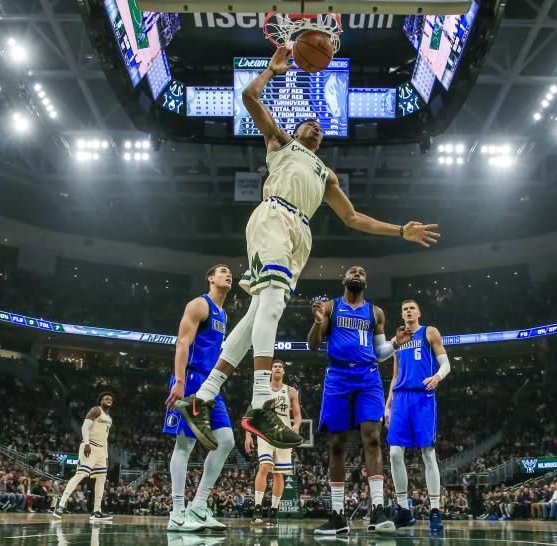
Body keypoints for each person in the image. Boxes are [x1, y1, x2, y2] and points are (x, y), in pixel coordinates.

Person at [174, 46, 440, 453]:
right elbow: (249, 99)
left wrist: (401, 230)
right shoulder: (281, 143)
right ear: (295, 131)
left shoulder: (326, 173)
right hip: (274, 216)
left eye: (320, 126)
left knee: (256, 317)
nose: (315, 127)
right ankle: (261, 403)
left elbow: (353, 218)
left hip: (301, 232)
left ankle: (203, 399)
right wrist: (271, 71)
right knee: (275, 304)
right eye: (308, 124)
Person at [307, 266, 411, 535]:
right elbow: (312, 345)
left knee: (373, 438)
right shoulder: (331, 307)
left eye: (362, 272)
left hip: (368, 377)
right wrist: (319, 321)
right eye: (352, 271)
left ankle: (378, 509)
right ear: (344, 279)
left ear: (366, 282)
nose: (357, 273)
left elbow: (379, 353)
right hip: (338, 377)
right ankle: (338, 515)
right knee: (337, 443)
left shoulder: (375, 313)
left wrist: (396, 343)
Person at [163, 265, 235, 532]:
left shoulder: (224, 314)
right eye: (223, 271)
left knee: (226, 440)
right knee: (185, 445)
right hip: (192, 380)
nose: (229, 275)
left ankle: (198, 505)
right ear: (210, 278)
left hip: (211, 384)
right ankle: (177, 512)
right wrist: (180, 381)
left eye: (231, 273)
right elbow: (182, 343)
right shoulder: (199, 305)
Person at [384, 299, 451, 533]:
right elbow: (394, 376)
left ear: (419, 312)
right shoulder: (398, 340)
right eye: (405, 309)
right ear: (402, 315)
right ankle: (403, 509)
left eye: (412, 308)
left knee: (428, 453)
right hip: (400, 399)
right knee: (394, 453)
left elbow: (446, 364)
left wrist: (438, 377)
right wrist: (387, 405)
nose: (409, 311)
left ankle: (435, 510)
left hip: (423, 397)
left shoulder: (429, 332)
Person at [245, 358, 302, 527]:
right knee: (264, 467)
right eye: (275, 366)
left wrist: (297, 425)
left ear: (284, 372)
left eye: (280, 367)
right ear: (271, 371)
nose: (277, 368)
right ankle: (257, 508)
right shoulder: (262, 390)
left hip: (283, 435)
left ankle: (273, 511)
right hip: (265, 434)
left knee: (279, 474)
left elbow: (297, 415)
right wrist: (248, 435)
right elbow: (251, 413)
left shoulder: (291, 391)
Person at [52, 393, 114, 521]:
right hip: (89, 446)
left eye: (111, 399)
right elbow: (85, 427)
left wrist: (106, 456)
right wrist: (86, 443)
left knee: (102, 478)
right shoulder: (96, 410)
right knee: (81, 474)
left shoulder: (109, 418)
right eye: (106, 398)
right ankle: (61, 504)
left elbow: (105, 439)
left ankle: (96, 511)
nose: (109, 400)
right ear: (101, 400)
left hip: (101, 451)